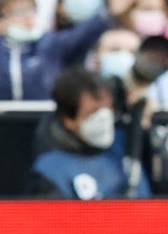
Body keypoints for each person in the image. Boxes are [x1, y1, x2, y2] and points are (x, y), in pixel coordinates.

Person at [0, 0, 135, 100]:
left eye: (31, 11)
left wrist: (107, 13)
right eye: (19, 13)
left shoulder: (51, 45)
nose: (28, 19)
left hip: (42, 119)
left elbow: (83, 34)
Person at [27, 65, 150, 198]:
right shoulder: (51, 171)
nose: (103, 118)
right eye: (93, 112)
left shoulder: (127, 145)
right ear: (68, 119)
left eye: (108, 109)